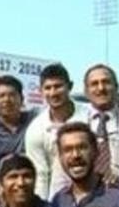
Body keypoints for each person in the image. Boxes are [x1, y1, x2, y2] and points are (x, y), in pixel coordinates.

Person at [24, 63, 88, 200]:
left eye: (58, 86)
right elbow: (40, 175)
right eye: (48, 88)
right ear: (41, 91)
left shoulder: (91, 114)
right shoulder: (36, 129)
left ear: (70, 86)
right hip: (60, 196)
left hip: (96, 189)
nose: (53, 93)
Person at [0, 75, 35, 184]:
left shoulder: (35, 120)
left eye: (12, 95)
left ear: (22, 98)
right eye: (1, 96)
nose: (7, 100)